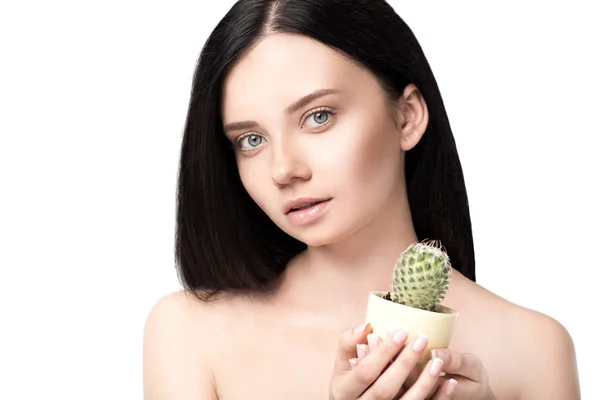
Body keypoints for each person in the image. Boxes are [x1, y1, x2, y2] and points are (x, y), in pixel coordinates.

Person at [142, 0, 581, 398]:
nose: (283, 169)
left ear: (407, 116)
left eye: (318, 117)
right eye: (251, 139)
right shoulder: (190, 334)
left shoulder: (534, 350)